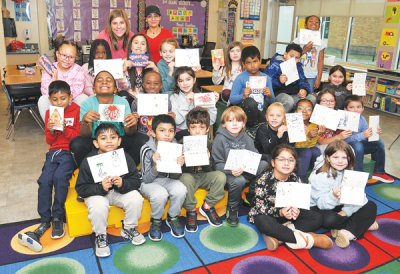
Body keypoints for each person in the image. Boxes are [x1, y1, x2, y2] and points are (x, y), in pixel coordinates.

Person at [18, 81, 80, 252]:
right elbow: (49, 141)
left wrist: (65, 128)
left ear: (70, 97)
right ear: (50, 100)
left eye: (63, 98)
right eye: (55, 99)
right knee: (45, 180)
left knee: (60, 178)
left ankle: (58, 217)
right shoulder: (49, 113)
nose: (59, 102)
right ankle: (45, 219)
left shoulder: (77, 110)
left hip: (69, 152)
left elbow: (78, 138)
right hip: (53, 151)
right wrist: (52, 131)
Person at [76, 123, 144, 257]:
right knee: (99, 206)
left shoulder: (125, 157)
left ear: (119, 141)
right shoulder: (88, 161)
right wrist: (100, 187)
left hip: (119, 192)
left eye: (113, 137)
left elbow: (136, 180)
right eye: (103, 138)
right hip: (97, 193)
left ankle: (129, 228)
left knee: (136, 198)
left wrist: (124, 183)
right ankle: (101, 235)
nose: (108, 141)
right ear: (96, 143)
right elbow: (81, 188)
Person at [248, 144, 332, 251]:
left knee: (317, 218)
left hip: (288, 216)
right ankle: (310, 240)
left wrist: (295, 210)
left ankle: (279, 235)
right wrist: (280, 212)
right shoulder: (263, 180)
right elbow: (260, 208)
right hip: (269, 215)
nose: (286, 163)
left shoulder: (294, 177)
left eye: (291, 160)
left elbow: (297, 201)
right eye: (281, 159)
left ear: (295, 163)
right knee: (261, 221)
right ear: (273, 162)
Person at [69, 71, 148, 168]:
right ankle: (90, 172)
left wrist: (132, 124)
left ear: (115, 89)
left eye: (109, 80)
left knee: (142, 139)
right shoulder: (87, 103)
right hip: (96, 142)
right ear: (94, 89)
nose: (104, 82)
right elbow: (85, 135)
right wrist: (85, 122)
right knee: (77, 143)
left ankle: (126, 169)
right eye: (100, 80)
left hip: (119, 141)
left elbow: (129, 133)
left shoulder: (122, 102)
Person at [309, 140, 379, 248]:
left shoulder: (349, 171)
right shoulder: (319, 175)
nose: (340, 161)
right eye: (335, 157)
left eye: (344, 158)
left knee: (371, 205)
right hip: (320, 205)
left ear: (349, 158)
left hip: (340, 206)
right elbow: (321, 204)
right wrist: (332, 195)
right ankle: (361, 224)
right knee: (329, 221)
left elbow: (359, 200)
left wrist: (345, 212)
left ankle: (346, 233)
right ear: (328, 158)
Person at [212, 106, 268, 226]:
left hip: (243, 168)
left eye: (238, 121)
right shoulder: (219, 139)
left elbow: (255, 155)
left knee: (263, 164)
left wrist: (248, 163)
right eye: (230, 121)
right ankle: (232, 208)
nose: (235, 124)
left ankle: (251, 194)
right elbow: (217, 165)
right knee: (239, 180)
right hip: (227, 173)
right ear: (223, 124)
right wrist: (230, 170)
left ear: (243, 124)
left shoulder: (245, 136)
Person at [140, 115, 187, 241]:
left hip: (168, 179)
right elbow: (145, 179)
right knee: (160, 194)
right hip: (149, 181)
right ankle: (156, 220)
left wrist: (179, 165)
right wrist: (155, 166)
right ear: (153, 133)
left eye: (171, 131)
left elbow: (175, 177)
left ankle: (173, 216)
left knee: (181, 189)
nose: (167, 134)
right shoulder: (146, 149)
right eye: (162, 130)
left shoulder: (176, 147)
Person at [179, 107, 226, 232]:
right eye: (193, 127)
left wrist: (208, 160)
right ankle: (191, 210)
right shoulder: (181, 143)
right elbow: (179, 171)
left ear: (206, 129)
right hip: (189, 176)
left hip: (205, 175)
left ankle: (207, 205)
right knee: (184, 178)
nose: (197, 131)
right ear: (188, 128)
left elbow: (213, 168)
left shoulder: (210, 144)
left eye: (201, 127)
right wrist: (181, 162)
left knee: (221, 176)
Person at [343, 95, 394, 183]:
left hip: (359, 145)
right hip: (345, 147)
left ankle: (379, 172)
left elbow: (365, 134)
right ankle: (358, 175)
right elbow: (345, 140)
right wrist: (363, 135)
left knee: (379, 142)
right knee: (358, 145)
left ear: (362, 109)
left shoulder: (362, 119)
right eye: (352, 107)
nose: (356, 110)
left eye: (358, 107)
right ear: (345, 109)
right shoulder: (344, 120)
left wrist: (373, 133)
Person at [39, 34, 87, 120]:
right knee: (43, 99)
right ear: (57, 54)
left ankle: (77, 127)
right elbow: (45, 93)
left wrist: (63, 99)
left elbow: (77, 92)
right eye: (64, 55)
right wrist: (54, 81)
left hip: (71, 102)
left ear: (75, 58)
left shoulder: (78, 70)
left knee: (83, 98)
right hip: (55, 103)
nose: (67, 59)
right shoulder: (49, 68)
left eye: (71, 57)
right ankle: (52, 128)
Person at [229, 46, 275, 129]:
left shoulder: (266, 78)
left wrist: (269, 95)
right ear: (243, 64)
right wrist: (243, 96)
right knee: (250, 102)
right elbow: (232, 99)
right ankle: (251, 129)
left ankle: (254, 130)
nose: (253, 65)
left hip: (258, 111)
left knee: (266, 123)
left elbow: (272, 101)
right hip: (243, 110)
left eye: (255, 61)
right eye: (249, 63)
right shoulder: (240, 78)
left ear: (260, 61)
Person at [264, 43, 315, 113]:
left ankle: (302, 122)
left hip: (295, 94)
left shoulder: (298, 67)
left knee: (312, 99)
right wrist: (278, 81)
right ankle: (280, 121)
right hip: (279, 94)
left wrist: (304, 89)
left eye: (297, 58)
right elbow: (266, 83)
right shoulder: (275, 65)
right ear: (285, 55)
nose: (293, 60)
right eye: (291, 56)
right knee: (288, 101)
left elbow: (303, 81)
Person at [171, 66, 218, 141]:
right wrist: (187, 103)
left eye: (188, 79)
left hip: (200, 132)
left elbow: (211, 121)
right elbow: (177, 121)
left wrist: (212, 104)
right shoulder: (174, 98)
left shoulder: (201, 97)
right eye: (181, 81)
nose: (185, 83)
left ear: (194, 80)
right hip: (182, 133)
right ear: (177, 83)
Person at [131, 71, 176, 135]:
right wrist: (133, 118)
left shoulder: (166, 103)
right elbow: (132, 127)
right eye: (148, 83)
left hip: (160, 135)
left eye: (156, 83)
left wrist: (171, 118)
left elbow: (168, 124)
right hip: (142, 135)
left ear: (161, 85)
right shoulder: (136, 102)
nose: (152, 86)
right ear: (143, 84)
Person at [117, 33, 159, 100]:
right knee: (123, 95)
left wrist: (156, 71)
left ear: (146, 49)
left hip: (147, 99)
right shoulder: (123, 63)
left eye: (142, 44)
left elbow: (157, 88)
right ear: (131, 46)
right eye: (136, 43)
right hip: (130, 99)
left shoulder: (151, 65)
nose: (139, 46)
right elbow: (122, 89)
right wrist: (122, 70)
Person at [293, 15, 326, 93]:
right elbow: (291, 58)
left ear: (319, 26)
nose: (314, 23)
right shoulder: (297, 41)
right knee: (295, 94)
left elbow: (320, 61)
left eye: (317, 22)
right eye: (311, 21)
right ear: (305, 25)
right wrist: (305, 50)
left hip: (311, 76)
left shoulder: (321, 43)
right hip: (297, 74)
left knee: (308, 96)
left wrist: (318, 78)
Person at [294, 99, 326, 180]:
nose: (304, 111)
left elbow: (311, 145)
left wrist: (316, 134)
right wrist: (308, 136)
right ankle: (300, 180)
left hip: (307, 152)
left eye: (308, 109)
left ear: (312, 113)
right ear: (295, 111)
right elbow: (296, 145)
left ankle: (318, 178)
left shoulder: (313, 125)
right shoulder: (292, 123)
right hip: (294, 151)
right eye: (300, 108)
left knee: (315, 150)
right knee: (307, 151)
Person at [315, 89, 352, 153]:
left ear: (335, 103)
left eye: (331, 101)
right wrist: (339, 136)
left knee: (350, 149)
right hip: (319, 147)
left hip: (334, 144)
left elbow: (340, 139)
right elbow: (321, 142)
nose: (328, 103)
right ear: (319, 102)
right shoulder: (316, 118)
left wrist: (344, 134)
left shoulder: (338, 116)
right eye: (324, 101)